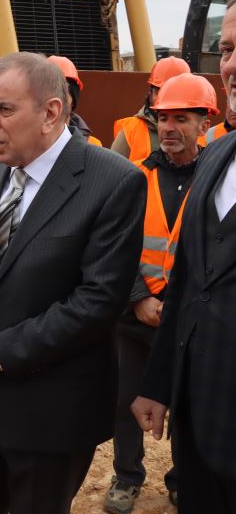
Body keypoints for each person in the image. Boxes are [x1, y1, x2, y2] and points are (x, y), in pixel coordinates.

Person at [0, 52, 146, 514]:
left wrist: (3, 350)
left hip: (50, 415)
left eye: (4, 109)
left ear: (52, 112)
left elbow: (97, 301)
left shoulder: (113, 181)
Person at [132, 0, 236, 513]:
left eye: (182, 117)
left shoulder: (209, 160)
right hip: (194, 403)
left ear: (203, 121)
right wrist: (158, 384)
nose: (232, 63)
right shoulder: (212, 161)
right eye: (227, 49)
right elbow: (191, 279)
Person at [103, 72, 216, 514]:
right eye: (162, 117)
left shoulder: (218, 179)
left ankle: (181, 479)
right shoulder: (133, 178)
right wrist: (138, 297)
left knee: (189, 408)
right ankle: (127, 477)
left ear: (204, 123)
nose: (168, 127)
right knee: (127, 401)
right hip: (135, 320)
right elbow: (114, 247)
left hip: (191, 322)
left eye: (180, 119)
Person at [111, 56, 193, 161]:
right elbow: (112, 174)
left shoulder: (198, 131)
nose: (167, 99)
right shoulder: (131, 131)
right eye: (161, 92)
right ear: (150, 94)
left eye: (175, 92)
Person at [47, 55, 103, 147]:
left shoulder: (92, 145)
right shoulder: (24, 145)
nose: (56, 102)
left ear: (73, 101)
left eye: (62, 94)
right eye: (49, 93)